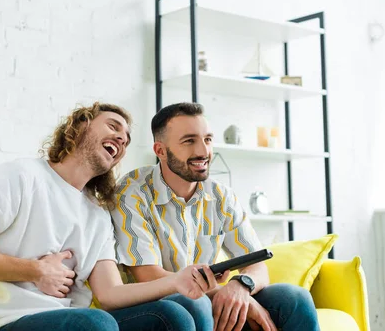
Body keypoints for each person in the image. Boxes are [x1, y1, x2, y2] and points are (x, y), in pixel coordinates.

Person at [0, 102, 229, 331]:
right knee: (96, 324)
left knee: (172, 314)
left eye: (125, 140)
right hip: (8, 321)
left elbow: (111, 293)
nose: (121, 139)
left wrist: (178, 281)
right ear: (80, 125)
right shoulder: (22, 176)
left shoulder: (98, 215)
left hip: (74, 320)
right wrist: (35, 271)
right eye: (112, 126)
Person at [111, 102, 321, 331]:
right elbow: (149, 276)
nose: (203, 151)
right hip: (154, 306)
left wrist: (241, 286)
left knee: (293, 298)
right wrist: (227, 293)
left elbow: (257, 266)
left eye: (208, 139)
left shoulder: (221, 196)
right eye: (189, 141)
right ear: (160, 151)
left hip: (205, 297)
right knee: (195, 302)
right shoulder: (131, 193)